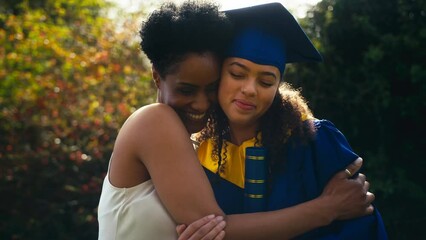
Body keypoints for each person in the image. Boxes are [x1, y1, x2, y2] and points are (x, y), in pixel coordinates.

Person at [97, 1, 375, 240]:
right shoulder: (154, 120)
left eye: (210, 87)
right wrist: (327, 208)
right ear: (157, 76)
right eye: (186, 89)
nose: (202, 103)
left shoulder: (311, 141)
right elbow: (218, 229)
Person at [195, 2, 388, 239]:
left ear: (278, 87)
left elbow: (362, 228)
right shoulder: (198, 152)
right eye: (237, 73)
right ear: (219, 74)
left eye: (266, 81)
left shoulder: (314, 142)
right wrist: (325, 209)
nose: (250, 89)